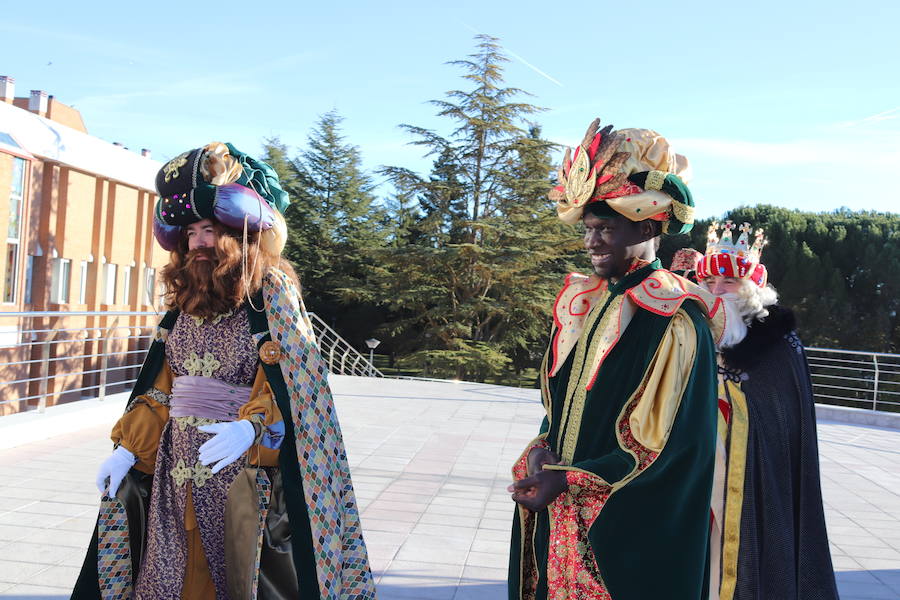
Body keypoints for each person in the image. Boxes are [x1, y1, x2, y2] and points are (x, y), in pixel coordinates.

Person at [71, 143, 376, 600]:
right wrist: (128, 450)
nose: (198, 242)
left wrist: (252, 429)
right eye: (190, 232)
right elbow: (161, 388)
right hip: (176, 468)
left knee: (234, 577)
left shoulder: (269, 292)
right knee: (166, 574)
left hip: (240, 470)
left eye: (209, 230)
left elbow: (295, 382)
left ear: (236, 234)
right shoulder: (184, 302)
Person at [508, 119, 725, 600]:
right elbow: (562, 406)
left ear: (647, 226)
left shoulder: (675, 319)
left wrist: (570, 482)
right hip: (559, 513)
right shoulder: (583, 302)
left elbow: (673, 448)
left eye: (605, 228)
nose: (592, 242)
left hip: (623, 533)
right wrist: (544, 450)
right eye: (588, 228)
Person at [689, 222, 839, 600]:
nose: (717, 291)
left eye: (728, 283)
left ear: (750, 288)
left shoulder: (778, 342)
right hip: (694, 467)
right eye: (710, 283)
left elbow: (782, 414)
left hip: (748, 471)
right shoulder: (694, 330)